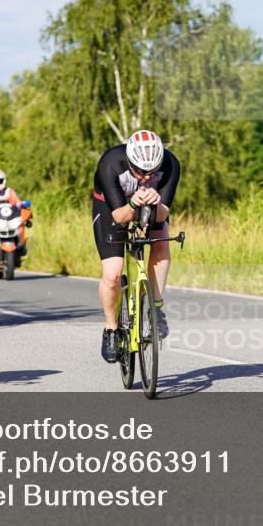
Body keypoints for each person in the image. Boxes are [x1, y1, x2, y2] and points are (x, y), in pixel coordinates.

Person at [92, 129, 180, 363]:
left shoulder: (171, 164)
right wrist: (133, 203)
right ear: (130, 162)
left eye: (152, 171)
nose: (146, 177)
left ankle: (156, 309)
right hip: (113, 208)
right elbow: (120, 216)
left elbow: (162, 215)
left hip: (150, 208)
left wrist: (156, 201)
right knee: (112, 273)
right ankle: (111, 329)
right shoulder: (110, 163)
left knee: (161, 242)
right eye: (141, 171)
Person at [0, 167, 31, 249]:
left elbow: (17, 202)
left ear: (4, 180)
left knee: (21, 225)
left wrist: (21, 204)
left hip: (10, 219)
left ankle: (21, 245)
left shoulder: (9, 191)